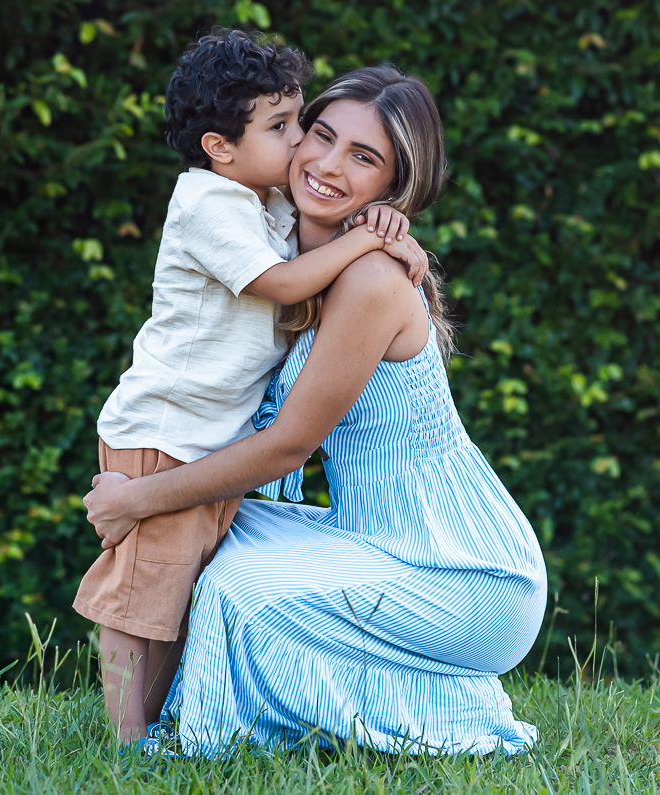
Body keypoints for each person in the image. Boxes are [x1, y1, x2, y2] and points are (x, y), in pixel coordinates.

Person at [83, 65, 547, 757]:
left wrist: (135, 499)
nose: (328, 165)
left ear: (393, 186)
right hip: (368, 538)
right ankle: (148, 726)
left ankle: (430, 710)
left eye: (363, 157)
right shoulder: (272, 239)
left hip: (461, 570)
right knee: (208, 530)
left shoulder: (370, 278)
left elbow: (286, 447)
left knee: (235, 584)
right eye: (321, 135)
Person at [72, 30, 428, 748]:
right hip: (167, 431)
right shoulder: (208, 203)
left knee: (177, 590)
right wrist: (369, 239)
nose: (301, 146)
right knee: (139, 595)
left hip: (206, 437)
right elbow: (287, 283)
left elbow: (320, 248)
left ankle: (151, 723)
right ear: (219, 146)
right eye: (285, 127)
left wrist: (387, 227)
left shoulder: (259, 199)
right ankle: (125, 740)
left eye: (299, 121)